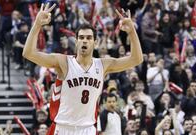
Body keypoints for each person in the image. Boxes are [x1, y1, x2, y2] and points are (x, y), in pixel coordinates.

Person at [23, 3, 143, 135]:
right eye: (81, 37)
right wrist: (37, 25)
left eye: (89, 38)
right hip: (63, 127)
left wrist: (132, 31)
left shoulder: (103, 65)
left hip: (87, 129)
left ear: (95, 42)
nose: (84, 41)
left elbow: (136, 59)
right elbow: (28, 53)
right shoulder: (63, 62)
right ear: (76, 41)